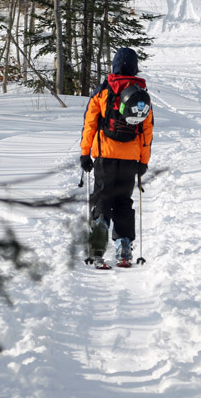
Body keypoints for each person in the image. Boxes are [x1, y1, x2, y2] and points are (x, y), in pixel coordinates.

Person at [80, 47, 153, 266]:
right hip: (131, 158)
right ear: (134, 67)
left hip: (105, 155)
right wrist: (144, 161)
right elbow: (147, 130)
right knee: (123, 200)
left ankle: (98, 245)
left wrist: (85, 154)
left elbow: (90, 124)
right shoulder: (141, 92)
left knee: (103, 198)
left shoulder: (103, 90)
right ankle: (123, 246)